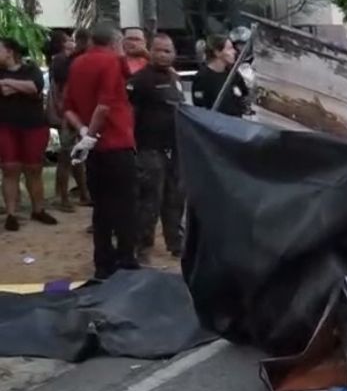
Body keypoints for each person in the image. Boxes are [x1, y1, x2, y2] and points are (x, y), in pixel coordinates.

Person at [63, 23, 138, 279]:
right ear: (115, 41)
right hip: (116, 143)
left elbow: (68, 108)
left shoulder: (77, 63)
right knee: (125, 207)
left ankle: (103, 263)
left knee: (102, 208)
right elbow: (104, 107)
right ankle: (126, 261)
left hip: (93, 149)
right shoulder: (111, 63)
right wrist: (92, 134)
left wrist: (83, 132)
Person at [129, 34, 184, 261]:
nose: (164, 55)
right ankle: (143, 248)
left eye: (168, 51)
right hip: (149, 150)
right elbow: (130, 115)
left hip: (175, 149)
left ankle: (176, 243)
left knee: (175, 199)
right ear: (150, 51)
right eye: (159, 50)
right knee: (150, 201)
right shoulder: (140, 80)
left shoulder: (174, 78)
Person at [0, 37, 58, 231]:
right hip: (5, 126)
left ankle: (38, 209)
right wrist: (21, 87)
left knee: (34, 169)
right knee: (10, 169)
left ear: (9, 51)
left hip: (33, 126)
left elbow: (34, 87)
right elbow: (24, 89)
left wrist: (8, 82)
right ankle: (11, 214)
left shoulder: (31, 68)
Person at [48, 29, 91, 211]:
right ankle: (62, 197)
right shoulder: (63, 61)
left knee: (78, 156)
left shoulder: (76, 59)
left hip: (77, 112)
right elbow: (60, 90)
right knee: (66, 156)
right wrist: (63, 113)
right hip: (69, 113)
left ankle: (82, 193)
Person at [190, 34, 247, 116]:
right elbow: (200, 107)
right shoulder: (202, 78)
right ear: (217, 52)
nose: (234, 52)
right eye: (229, 48)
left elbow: (244, 94)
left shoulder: (233, 74)